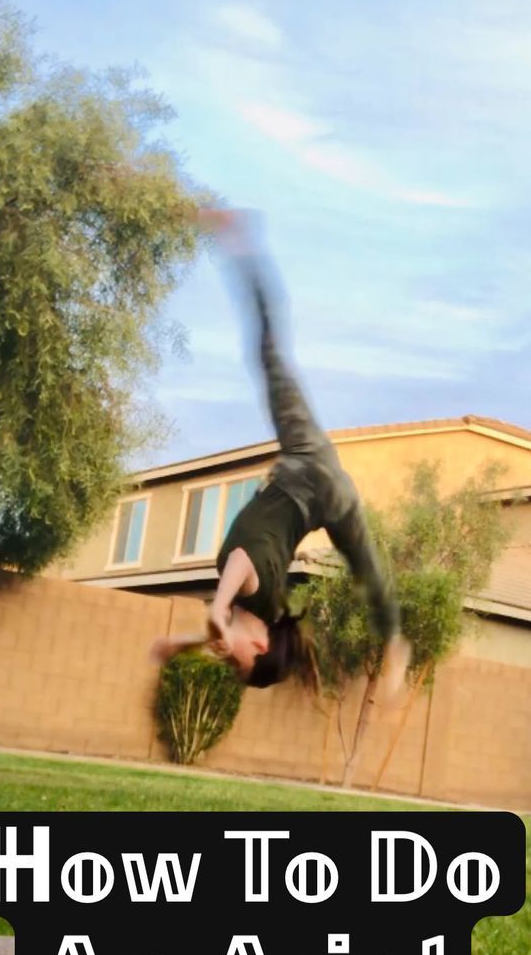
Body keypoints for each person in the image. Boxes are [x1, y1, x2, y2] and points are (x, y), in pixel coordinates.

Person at [150, 209, 410, 700]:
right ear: (262, 642)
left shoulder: (248, 614)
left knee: (268, 356)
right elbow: (244, 561)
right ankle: (394, 640)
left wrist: (181, 646)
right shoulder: (252, 592)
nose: (230, 659)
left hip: (318, 487)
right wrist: (216, 608)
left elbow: (218, 634)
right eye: (242, 662)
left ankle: (238, 242)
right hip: (311, 471)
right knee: (370, 577)